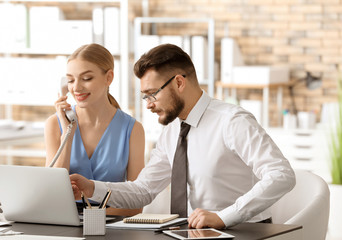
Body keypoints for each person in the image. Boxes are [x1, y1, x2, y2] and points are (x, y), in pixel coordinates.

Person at [70, 43, 295, 229]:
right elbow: (143, 190)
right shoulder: (172, 132)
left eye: (152, 94)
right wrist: (92, 188)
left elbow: (281, 174)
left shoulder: (232, 121)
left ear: (179, 82)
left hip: (244, 230)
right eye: (144, 97)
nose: (148, 105)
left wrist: (224, 217)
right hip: (195, 232)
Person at [44, 43, 145, 216]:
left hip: (113, 225)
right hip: (63, 221)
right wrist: (68, 134)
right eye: (70, 80)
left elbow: (137, 201)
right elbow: (50, 191)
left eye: (86, 78)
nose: (76, 87)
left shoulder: (132, 129)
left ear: (109, 77)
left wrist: (91, 219)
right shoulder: (55, 124)